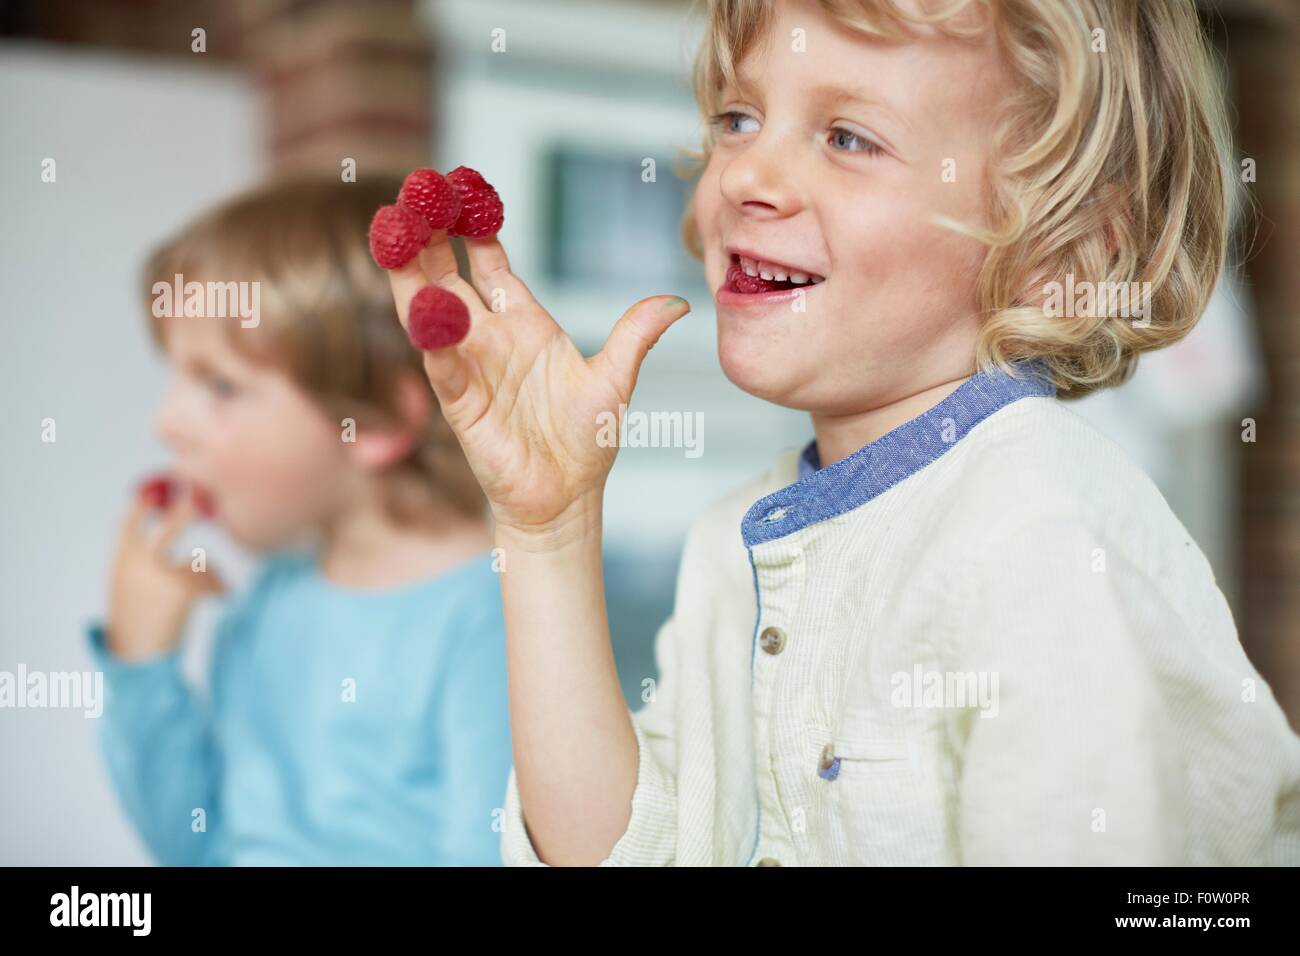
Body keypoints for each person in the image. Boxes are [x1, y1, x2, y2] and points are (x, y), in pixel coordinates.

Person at [384, 0, 1300, 865]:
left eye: (849, 137)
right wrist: (547, 528)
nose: (744, 175)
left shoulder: (1043, 534)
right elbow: (633, 851)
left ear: (1062, 257)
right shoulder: (729, 542)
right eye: (739, 119)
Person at [88, 176, 513, 866]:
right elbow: (189, 845)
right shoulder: (271, 594)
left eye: (220, 385)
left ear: (375, 421)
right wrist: (142, 663)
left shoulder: (490, 616)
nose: (166, 422)